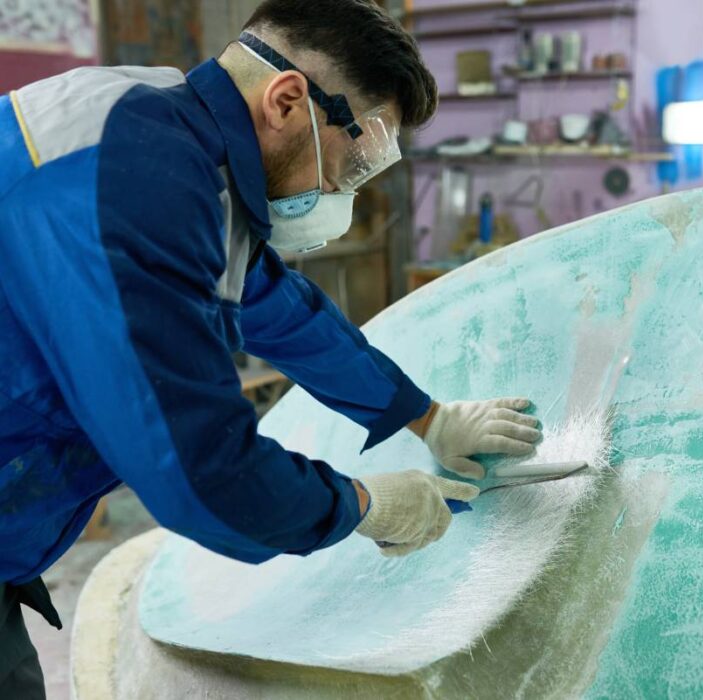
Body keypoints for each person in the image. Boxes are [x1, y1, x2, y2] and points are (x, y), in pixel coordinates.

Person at [0, 0, 543, 695]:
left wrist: (428, 417)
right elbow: (201, 472)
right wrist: (362, 506)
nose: (335, 192)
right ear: (288, 100)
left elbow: (281, 312)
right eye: (348, 167)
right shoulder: (132, 177)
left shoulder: (175, 146)